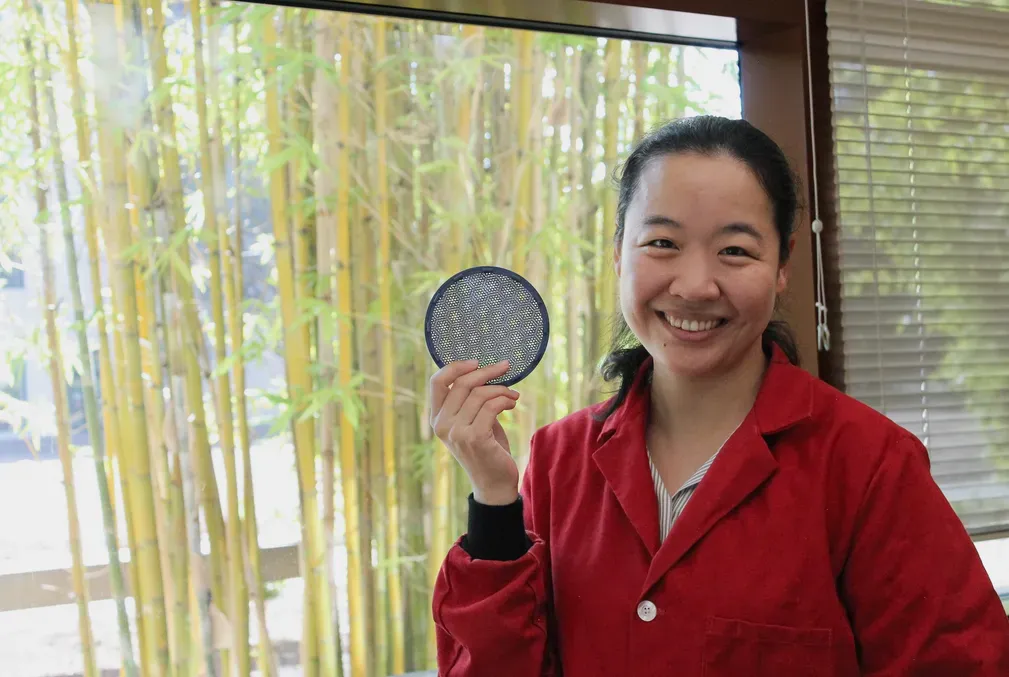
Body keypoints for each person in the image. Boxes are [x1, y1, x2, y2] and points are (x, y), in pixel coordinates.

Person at [427, 115, 1009, 676]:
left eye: (735, 250)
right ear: (617, 255)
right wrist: (495, 502)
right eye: (661, 242)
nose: (696, 286)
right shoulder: (559, 461)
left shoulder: (869, 465)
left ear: (782, 265)